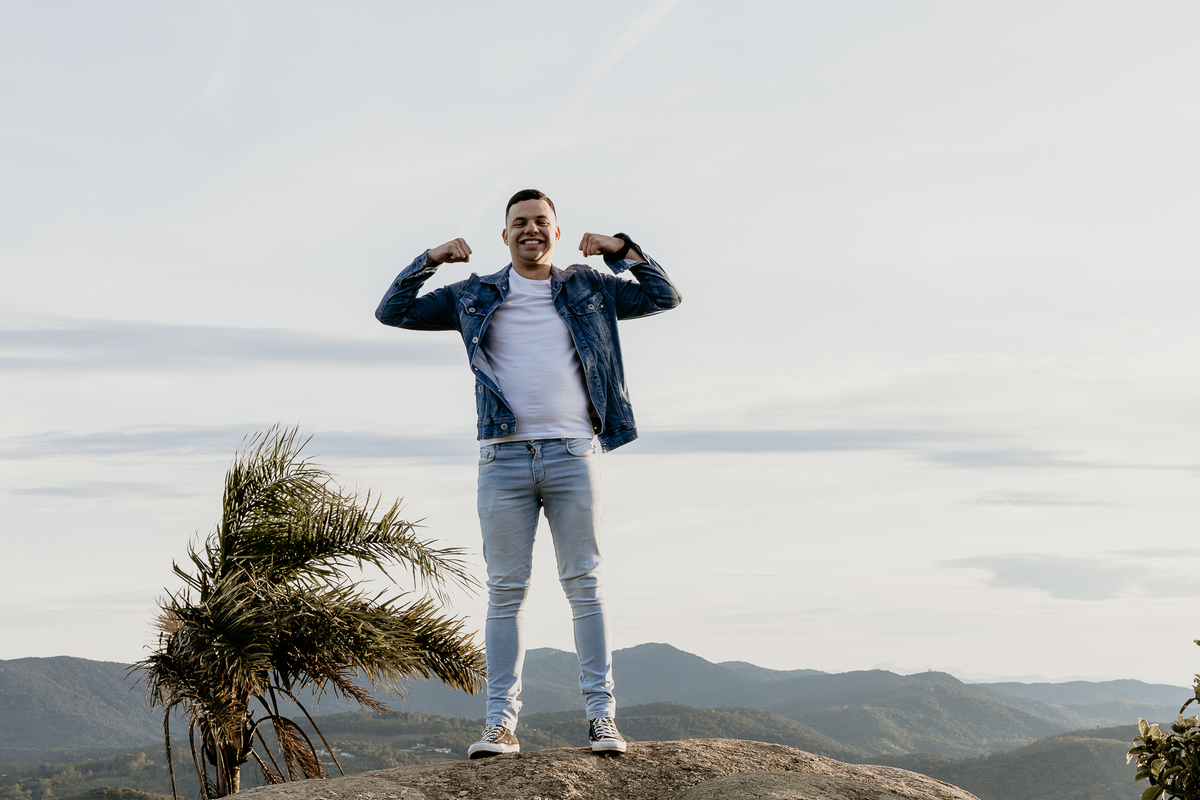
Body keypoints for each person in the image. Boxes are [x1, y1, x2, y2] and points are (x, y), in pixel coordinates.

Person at [375, 188, 682, 758]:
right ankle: (500, 724)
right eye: (520, 222)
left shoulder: (590, 287)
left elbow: (664, 296)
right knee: (505, 593)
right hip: (503, 458)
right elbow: (392, 311)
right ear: (505, 234)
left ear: (556, 233)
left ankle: (602, 719)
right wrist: (431, 259)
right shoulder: (473, 295)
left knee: (584, 585)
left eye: (541, 221)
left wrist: (621, 248)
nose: (531, 230)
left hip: (573, 453)